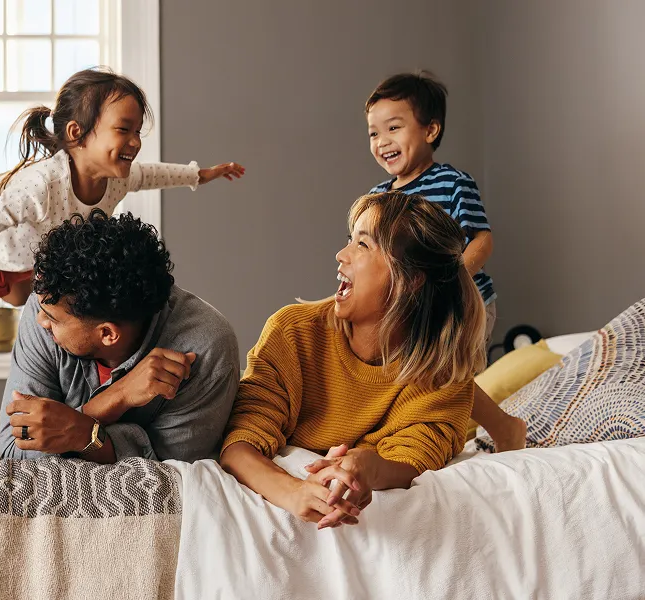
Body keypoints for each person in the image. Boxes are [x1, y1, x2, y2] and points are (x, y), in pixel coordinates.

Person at [0, 68, 245, 426]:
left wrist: (202, 175)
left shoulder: (117, 178)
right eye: (123, 129)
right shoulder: (42, 187)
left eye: (138, 132)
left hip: (28, 259)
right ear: (78, 133)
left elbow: (156, 174)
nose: (135, 142)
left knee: (32, 306)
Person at [220, 191, 485, 529]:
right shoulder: (293, 333)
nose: (340, 255)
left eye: (363, 245)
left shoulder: (443, 376)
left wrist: (366, 466)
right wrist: (295, 492)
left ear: (412, 279)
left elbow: (413, 460)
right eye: (351, 240)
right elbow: (239, 445)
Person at [364, 71, 526, 451]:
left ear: (430, 130)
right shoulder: (376, 199)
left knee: (445, 370)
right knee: (411, 372)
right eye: (373, 132)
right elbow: (369, 254)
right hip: (409, 308)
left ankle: (503, 430)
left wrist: (451, 279)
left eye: (393, 127)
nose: (382, 141)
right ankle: (425, 434)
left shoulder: (452, 182)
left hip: (461, 302)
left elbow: (481, 240)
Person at [0, 210, 240, 463]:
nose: (40, 321)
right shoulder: (48, 303)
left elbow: (173, 475)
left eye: (53, 320)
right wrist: (115, 399)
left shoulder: (205, 346)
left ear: (107, 334)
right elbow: (14, 453)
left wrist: (79, 433)